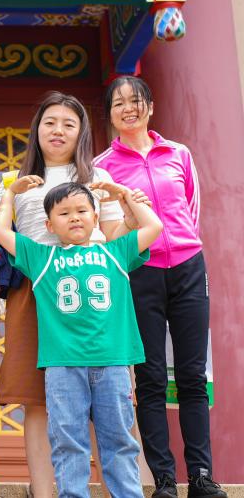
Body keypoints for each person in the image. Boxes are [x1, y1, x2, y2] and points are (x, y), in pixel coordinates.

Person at [0, 91, 130, 498]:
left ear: (81, 132)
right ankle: (44, 492)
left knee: (111, 397)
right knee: (37, 398)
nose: (58, 131)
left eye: (69, 124)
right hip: (36, 292)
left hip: (93, 295)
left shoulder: (97, 178)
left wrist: (127, 205)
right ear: (37, 129)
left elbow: (115, 237)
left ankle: (117, 490)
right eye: (50, 122)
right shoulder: (12, 181)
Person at [94, 76, 227, 498]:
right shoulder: (102, 166)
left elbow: (191, 211)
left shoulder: (179, 154)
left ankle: (201, 475)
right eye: (118, 103)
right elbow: (109, 227)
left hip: (188, 268)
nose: (128, 108)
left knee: (192, 374)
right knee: (150, 377)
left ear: (150, 107)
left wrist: (183, 247)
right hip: (140, 272)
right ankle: (164, 479)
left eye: (136, 100)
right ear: (110, 114)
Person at [0, 179, 162, 498]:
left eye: (82, 210)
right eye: (64, 213)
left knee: (119, 440)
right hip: (63, 367)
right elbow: (0, 232)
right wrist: (11, 194)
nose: (74, 217)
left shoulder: (115, 252)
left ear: (95, 218)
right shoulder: (42, 258)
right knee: (68, 442)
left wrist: (125, 196)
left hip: (113, 363)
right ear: (49, 225)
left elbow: (154, 226)